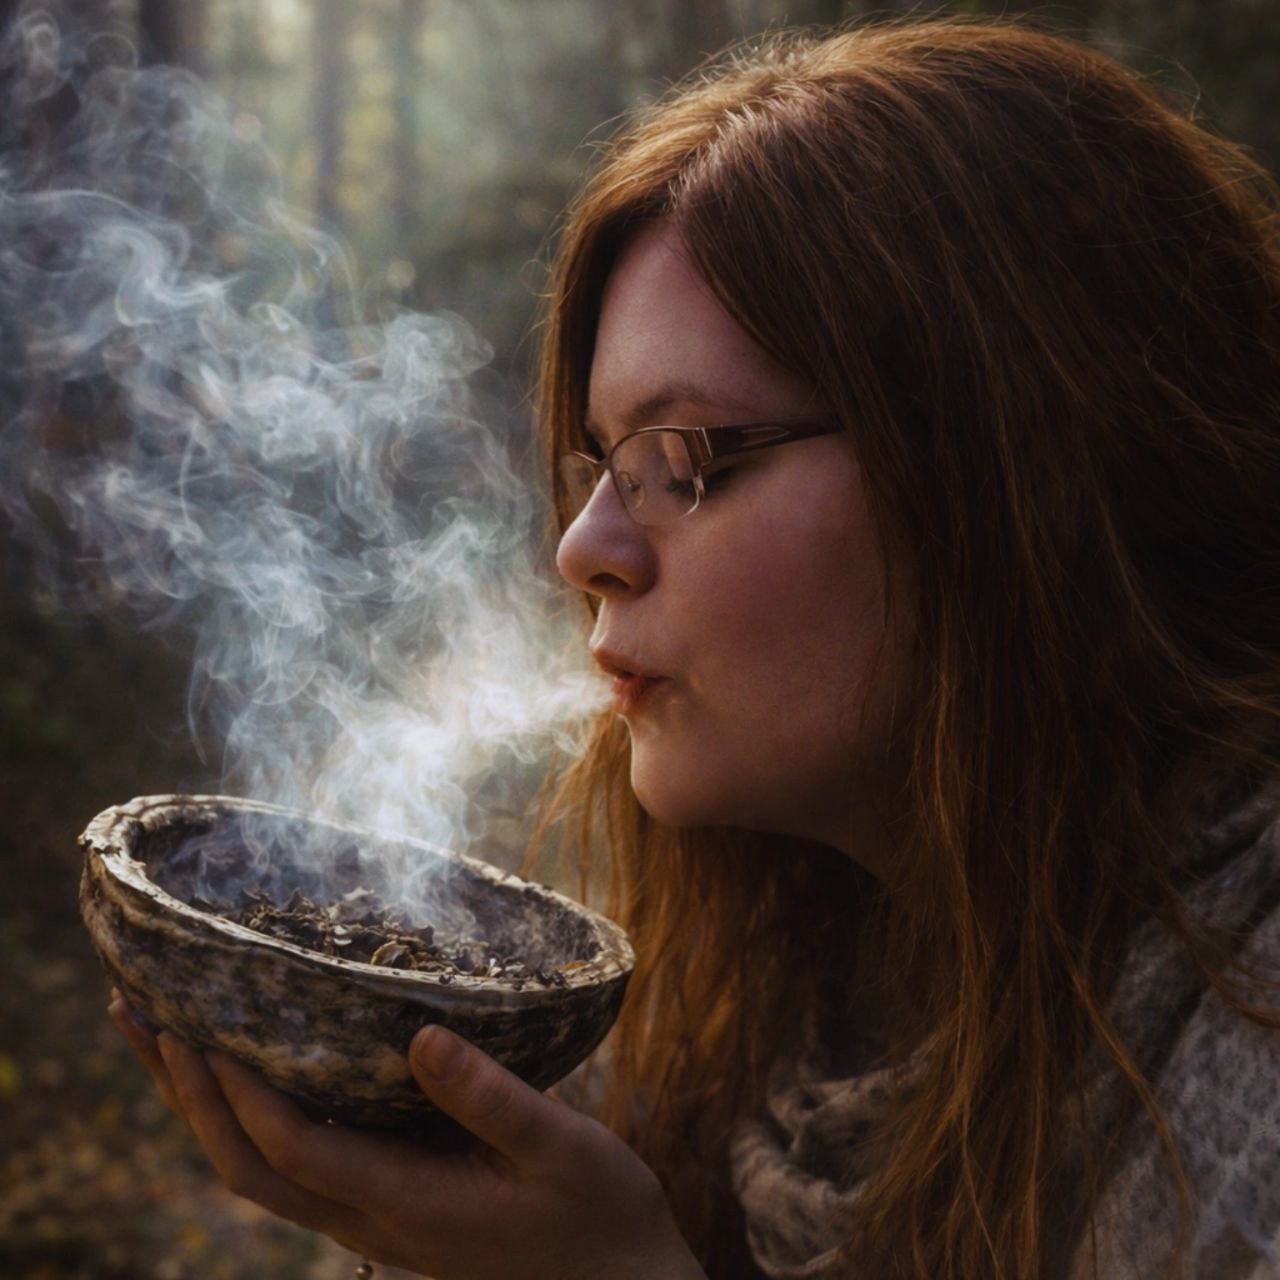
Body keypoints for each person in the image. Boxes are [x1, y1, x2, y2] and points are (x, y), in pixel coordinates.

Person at [111, 15, 1280, 1280]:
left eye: (687, 460)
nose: (582, 549)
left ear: (1011, 472)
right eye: (597, 465)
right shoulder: (739, 1001)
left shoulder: (1241, 1081)